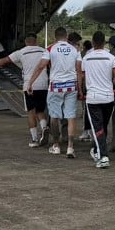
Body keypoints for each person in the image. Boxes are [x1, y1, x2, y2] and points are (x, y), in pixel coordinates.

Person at [0, 32, 51, 147]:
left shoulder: (21, 52)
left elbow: (3, 61)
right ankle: (44, 127)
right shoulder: (44, 51)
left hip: (29, 85)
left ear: (25, 42)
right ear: (36, 41)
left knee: (30, 112)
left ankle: (34, 139)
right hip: (43, 85)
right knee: (40, 110)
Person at [28, 26, 81, 158]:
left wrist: (30, 82)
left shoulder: (50, 49)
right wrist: (79, 88)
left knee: (54, 116)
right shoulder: (75, 50)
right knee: (70, 117)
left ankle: (56, 146)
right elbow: (79, 70)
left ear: (54, 36)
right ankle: (70, 147)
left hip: (56, 86)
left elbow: (41, 66)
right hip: (71, 86)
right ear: (66, 36)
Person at [80, 31, 115, 169]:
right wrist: (111, 84)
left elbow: (83, 76)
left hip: (93, 97)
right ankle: (98, 150)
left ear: (92, 42)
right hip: (108, 96)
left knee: (97, 127)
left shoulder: (86, 58)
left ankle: (103, 156)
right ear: (104, 42)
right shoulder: (111, 58)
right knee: (103, 126)